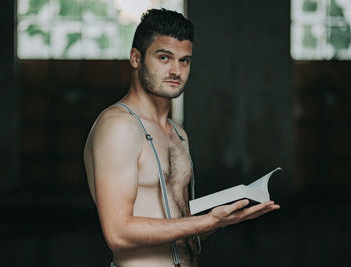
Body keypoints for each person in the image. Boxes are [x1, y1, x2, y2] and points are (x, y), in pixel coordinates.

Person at [83, 8, 280, 267]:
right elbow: (117, 232)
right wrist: (208, 220)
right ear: (135, 59)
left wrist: (225, 218)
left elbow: (180, 226)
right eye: (164, 57)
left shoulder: (177, 133)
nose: (176, 70)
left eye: (184, 60)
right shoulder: (119, 125)